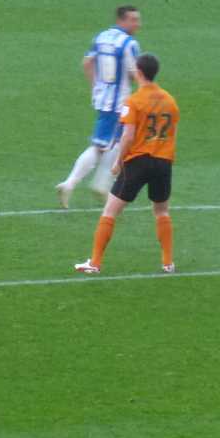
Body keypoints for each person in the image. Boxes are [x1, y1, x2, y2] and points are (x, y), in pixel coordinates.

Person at [74, 53, 178, 275]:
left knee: (110, 211)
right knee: (161, 211)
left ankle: (95, 263)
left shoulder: (133, 102)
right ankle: (168, 262)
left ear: (138, 73)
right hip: (163, 162)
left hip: (138, 162)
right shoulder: (170, 100)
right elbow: (171, 132)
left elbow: (127, 137)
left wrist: (118, 163)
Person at [57, 4, 140, 208]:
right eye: (133, 20)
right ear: (122, 20)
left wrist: (96, 87)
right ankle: (87, 183)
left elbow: (87, 63)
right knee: (110, 145)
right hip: (120, 102)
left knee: (111, 143)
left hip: (103, 99)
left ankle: (97, 184)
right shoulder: (129, 44)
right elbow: (134, 74)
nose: (137, 24)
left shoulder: (101, 37)